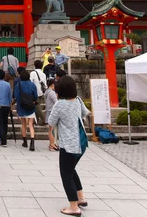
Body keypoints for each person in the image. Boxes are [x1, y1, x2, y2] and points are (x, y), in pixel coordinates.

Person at [48, 76, 90, 216]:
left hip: (69, 144)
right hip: (82, 142)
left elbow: (51, 122)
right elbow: (86, 113)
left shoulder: (60, 104)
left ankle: (74, 207)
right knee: (71, 170)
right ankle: (81, 198)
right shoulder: (78, 100)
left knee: (66, 174)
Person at [14, 70, 38, 151]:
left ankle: (24, 141)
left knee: (23, 124)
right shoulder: (32, 84)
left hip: (21, 106)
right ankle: (32, 142)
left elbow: (16, 96)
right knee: (31, 124)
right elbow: (35, 96)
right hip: (30, 106)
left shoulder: (18, 85)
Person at [29, 60, 47, 125]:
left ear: (35, 65)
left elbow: (31, 83)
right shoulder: (43, 74)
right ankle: (36, 120)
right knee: (37, 106)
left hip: (35, 92)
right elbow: (45, 84)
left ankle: (45, 119)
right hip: (41, 92)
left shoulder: (32, 73)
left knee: (37, 107)